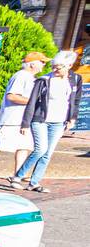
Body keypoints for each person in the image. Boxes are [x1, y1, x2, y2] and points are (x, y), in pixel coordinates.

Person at [13, 50, 82, 193]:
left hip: (59, 121)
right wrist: (25, 123)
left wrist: (72, 118)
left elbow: (75, 100)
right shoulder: (43, 80)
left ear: (69, 66)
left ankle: (34, 182)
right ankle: (18, 176)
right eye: (53, 66)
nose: (55, 69)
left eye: (59, 67)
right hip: (41, 119)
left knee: (47, 153)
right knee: (40, 149)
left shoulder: (75, 79)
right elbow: (32, 102)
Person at [0, 51, 47, 177]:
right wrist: (32, 102)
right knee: (0, 145)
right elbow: (12, 96)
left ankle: (18, 175)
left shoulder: (30, 78)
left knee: (24, 146)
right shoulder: (21, 76)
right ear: (32, 64)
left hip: (22, 119)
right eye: (42, 62)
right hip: (12, 118)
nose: (43, 65)